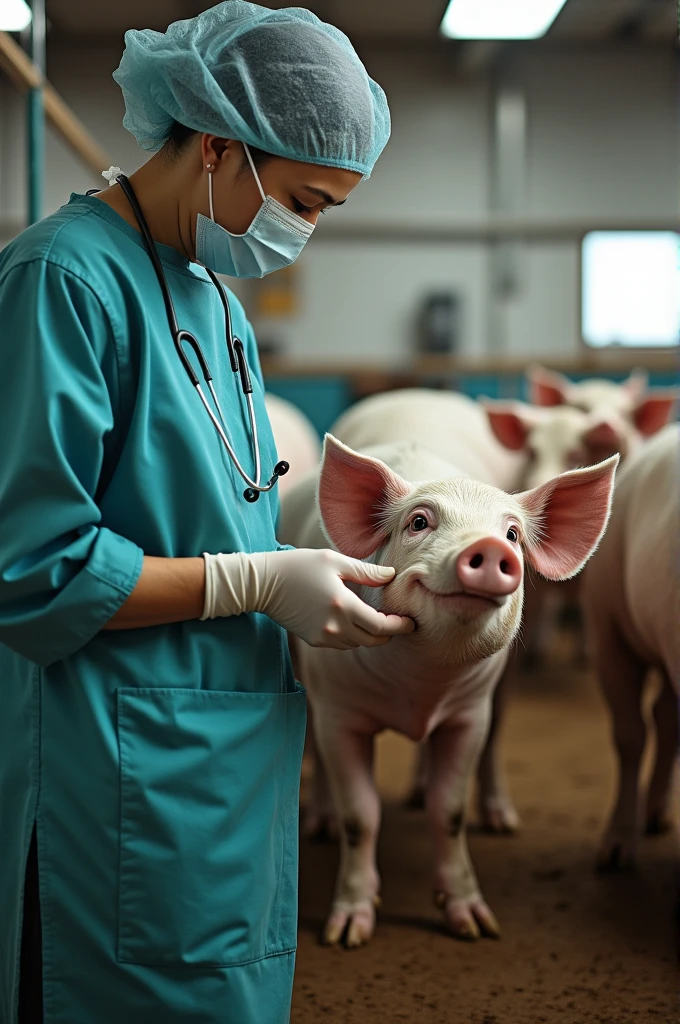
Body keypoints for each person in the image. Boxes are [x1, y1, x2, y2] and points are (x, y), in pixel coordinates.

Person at [0, 4, 414, 1022]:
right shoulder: (63, 280)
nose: (305, 232)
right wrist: (257, 580)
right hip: (115, 754)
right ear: (220, 147)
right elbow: (32, 568)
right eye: (306, 201)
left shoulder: (210, 291)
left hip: (220, 747)